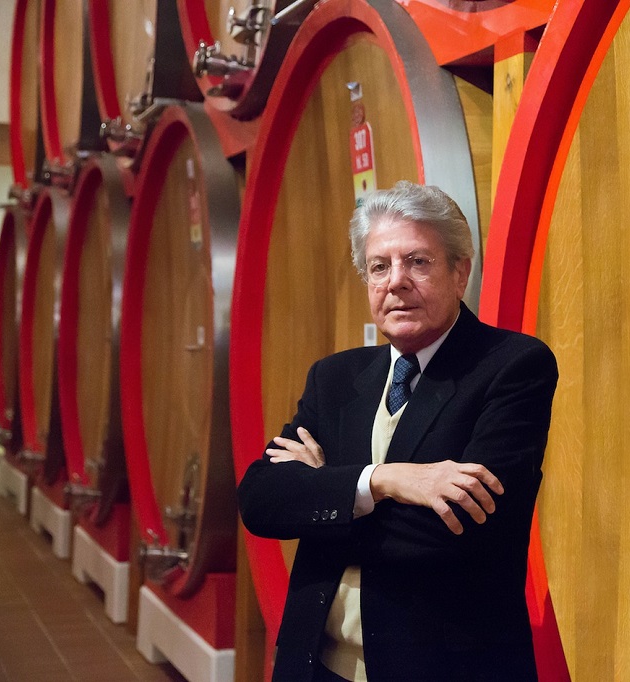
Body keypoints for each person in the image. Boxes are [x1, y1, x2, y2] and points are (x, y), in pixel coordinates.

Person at [237, 181, 558, 682]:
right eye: (379, 267)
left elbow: (460, 532)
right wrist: (383, 481)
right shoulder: (335, 377)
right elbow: (260, 500)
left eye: (418, 262)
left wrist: (325, 494)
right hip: (317, 665)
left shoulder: (512, 367)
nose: (396, 282)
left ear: (460, 273)